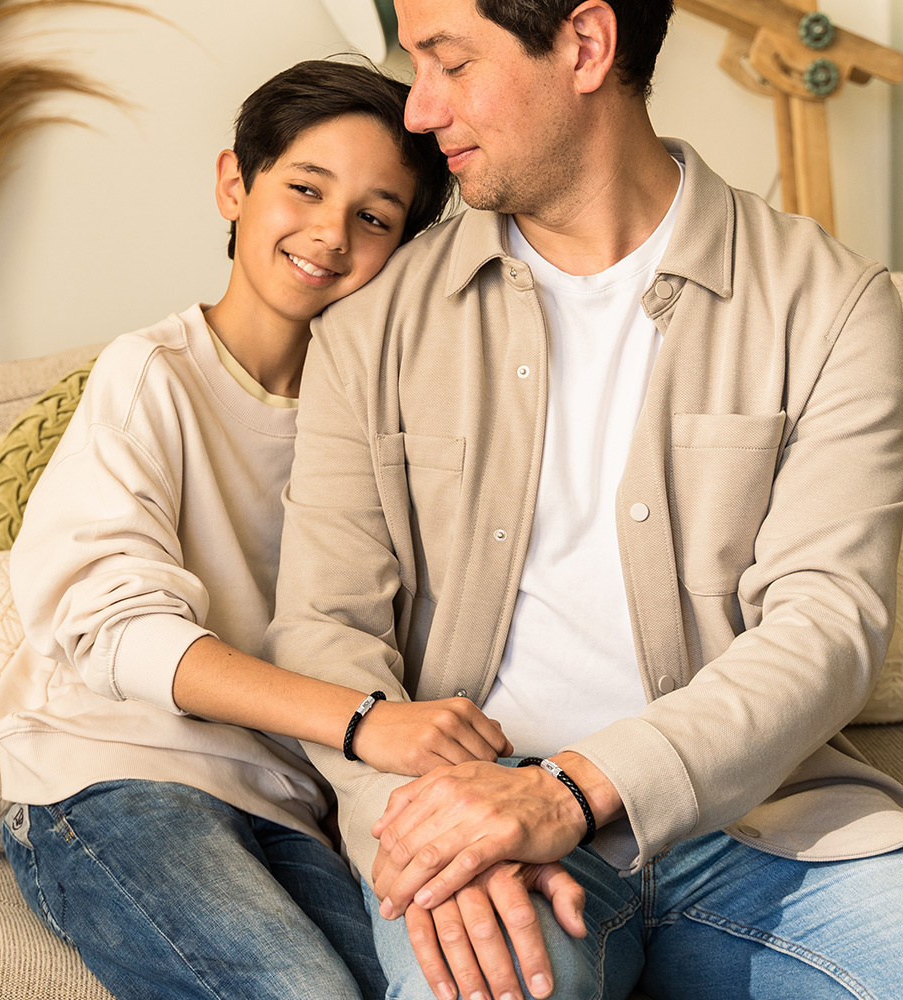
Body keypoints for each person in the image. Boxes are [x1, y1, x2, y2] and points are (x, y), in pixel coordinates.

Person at [266, 3, 903, 999]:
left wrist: (570, 791)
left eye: (448, 63)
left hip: (762, 827)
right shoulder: (370, 325)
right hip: (476, 825)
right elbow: (323, 627)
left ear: (585, 45)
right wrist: (424, 832)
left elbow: (826, 625)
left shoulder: (832, 306)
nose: (420, 110)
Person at [0, 58, 517, 1000]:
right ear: (236, 182)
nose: (329, 234)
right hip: (112, 779)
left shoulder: (386, 420)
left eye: (375, 217)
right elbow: (110, 629)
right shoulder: (150, 375)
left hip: (289, 803)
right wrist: (364, 725)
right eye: (305, 189)